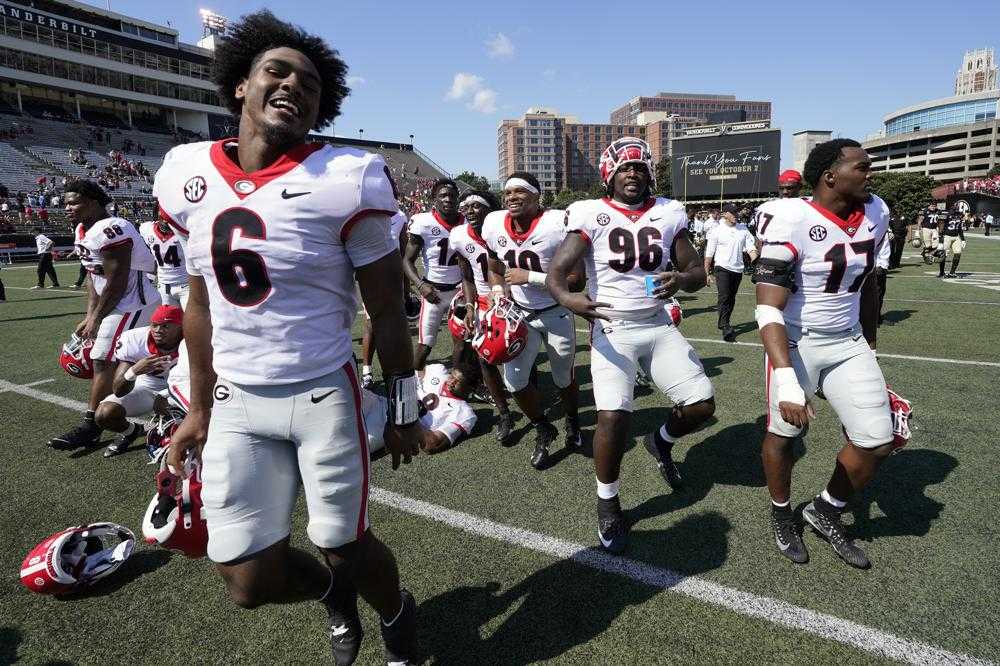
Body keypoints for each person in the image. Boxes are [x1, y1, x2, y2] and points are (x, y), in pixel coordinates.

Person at [154, 12, 422, 665]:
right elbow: (199, 305)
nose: (294, 86)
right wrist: (197, 410)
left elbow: (388, 310)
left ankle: (395, 612)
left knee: (344, 540)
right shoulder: (187, 172)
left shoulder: (346, 176)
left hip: (322, 393)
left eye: (309, 83)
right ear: (239, 86)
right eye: (277, 71)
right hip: (237, 399)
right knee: (247, 581)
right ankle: (336, 594)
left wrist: (405, 411)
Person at [549, 137, 715, 554]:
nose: (633, 174)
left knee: (701, 405)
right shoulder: (591, 214)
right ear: (610, 173)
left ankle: (661, 441)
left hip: (658, 324)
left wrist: (679, 279)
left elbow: (697, 272)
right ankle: (608, 502)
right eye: (625, 168)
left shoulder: (667, 212)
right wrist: (571, 300)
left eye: (640, 167)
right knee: (613, 418)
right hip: (613, 328)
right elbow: (557, 274)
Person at [753, 138, 894, 570]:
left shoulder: (877, 211)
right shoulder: (790, 219)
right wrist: (790, 381)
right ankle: (782, 513)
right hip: (797, 340)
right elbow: (766, 306)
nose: (870, 174)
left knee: (877, 439)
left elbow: (867, 280)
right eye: (862, 167)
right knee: (785, 433)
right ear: (830, 176)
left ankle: (825, 509)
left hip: (848, 340)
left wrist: (869, 339)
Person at [482, 172, 583, 470]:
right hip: (520, 315)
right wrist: (498, 291)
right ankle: (542, 427)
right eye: (508, 192)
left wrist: (533, 278)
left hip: (556, 311)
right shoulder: (494, 223)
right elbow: (495, 265)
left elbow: (576, 282)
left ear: (537, 196)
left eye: (520, 191)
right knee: (514, 382)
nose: (511, 197)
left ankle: (573, 421)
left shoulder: (557, 224)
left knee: (563, 378)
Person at [48, 180, 160, 450]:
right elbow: (93, 275)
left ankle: (92, 425)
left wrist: (98, 317)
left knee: (102, 359)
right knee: (107, 359)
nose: (67, 208)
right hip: (118, 302)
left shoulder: (113, 228)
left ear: (93, 202)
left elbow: (118, 279)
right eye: (65, 203)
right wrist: (90, 313)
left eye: (73, 202)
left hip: (134, 301)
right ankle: (112, 419)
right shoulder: (82, 229)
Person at [449, 189, 514, 444]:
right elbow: (466, 276)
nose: (470, 210)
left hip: (513, 297)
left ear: (491, 208)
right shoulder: (459, 236)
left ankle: (527, 397)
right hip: (484, 300)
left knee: (518, 357)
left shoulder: (506, 228)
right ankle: (504, 412)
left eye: (476, 205)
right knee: (484, 355)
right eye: (466, 206)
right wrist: (471, 305)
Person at [95, 305, 183, 458]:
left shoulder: (194, 340)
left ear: (181, 326)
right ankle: (131, 432)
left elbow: (202, 378)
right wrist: (134, 371)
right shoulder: (134, 339)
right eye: (154, 324)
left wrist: (166, 395)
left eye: (165, 326)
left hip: (182, 386)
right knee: (104, 414)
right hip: (148, 385)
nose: (157, 330)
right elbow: (118, 389)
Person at [403, 179, 466, 374]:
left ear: (458, 199)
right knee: (425, 344)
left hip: (460, 291)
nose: (448, 199)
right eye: (443, 195)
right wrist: (421, 286)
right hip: (433, 292)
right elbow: (406, 261)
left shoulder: (466, 221)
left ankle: (460, 383)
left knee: (463, 342)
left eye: (452, 195)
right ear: (434, 199)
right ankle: (412, 386)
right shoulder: (423, 222)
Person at [364, 363, 478, 455]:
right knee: (349, 393)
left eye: (458, 381)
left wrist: (408, 416)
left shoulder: (464, 413)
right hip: (381, 403)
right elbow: (413, 368)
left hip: (391, 426)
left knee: (353, 449)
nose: (451, 382)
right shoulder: (438, 370)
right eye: (452, 376)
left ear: (470, 389)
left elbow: (431, 445)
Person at [359, 210, 408, 389]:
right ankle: (367, 371)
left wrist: (407, 289)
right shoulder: (366, 212)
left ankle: (393, 372)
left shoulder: (401, 217)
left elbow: (404, 255)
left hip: (394, 277)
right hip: (372, 276)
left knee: (394, 325)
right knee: (372, 324)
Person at [704, 203, 757, 341]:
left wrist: (757, 262)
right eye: (733, 213)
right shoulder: (717, 230)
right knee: (724, 296)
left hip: (738, 269)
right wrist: (707, 273)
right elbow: (709, 253)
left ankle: (725, 321)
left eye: (737, 212)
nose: (736, 215)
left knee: (731, 298)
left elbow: (751, 248)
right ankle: (724, 325)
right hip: (722, 268)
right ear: (725, 214)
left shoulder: (743, 229)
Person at [140, 214, 189, 306]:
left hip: (187, 285)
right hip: (163, 286)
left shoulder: (186, 232)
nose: (166, 221)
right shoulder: (147, 229)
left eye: (170, 218)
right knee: (167, 319)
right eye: (163, 217)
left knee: (193, 318)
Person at [936, 211, 966, 278]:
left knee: (958, 253)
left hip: (956, 237)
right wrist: (941, 238)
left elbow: (960, 229)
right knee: (943, 254)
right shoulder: (946, 217)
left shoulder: (959, 217)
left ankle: (952, 272)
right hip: (947, 236)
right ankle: (941, 272)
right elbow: (940, 225)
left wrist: (963, 239)